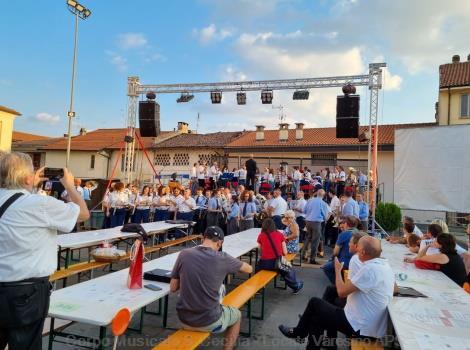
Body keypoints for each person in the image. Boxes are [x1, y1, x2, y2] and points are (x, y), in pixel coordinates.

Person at [0, 152, 89, 350]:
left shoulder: (29, 201)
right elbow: (83, 214)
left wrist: (30, 183)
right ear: (26, 177)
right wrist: (70, 186)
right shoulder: (38, 204)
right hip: (25, 292)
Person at [279, 236, 395, 349]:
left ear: (363, 252)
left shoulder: (369, 270)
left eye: (358, 247)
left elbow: (341, 292)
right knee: (317, 315)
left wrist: (338, 270)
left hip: (360, 327)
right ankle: (309, 335)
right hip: (371, 325)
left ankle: (299, 332)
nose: (355, 249)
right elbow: (394, 288)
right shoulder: (385, 265)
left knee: (315, 303)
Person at [170, 226, 253, 350]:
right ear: (219, 243)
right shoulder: (223, 258)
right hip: (208, 320)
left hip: (184, 319)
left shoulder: (184, 254)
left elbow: (173, 287)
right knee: (237, 315)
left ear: (203, 238)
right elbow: (249, 269)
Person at [257, 218, 303, 293]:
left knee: (258, 268)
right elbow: (285, 252)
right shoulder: (280, 235)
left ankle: (258, 289)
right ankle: (296, 286)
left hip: (264, 264)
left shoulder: (261, 235)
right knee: (287, 269)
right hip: (276, 264)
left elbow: (260, 250)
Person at [322, 216, 356, 283]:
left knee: (326, 268)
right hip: (356, 261)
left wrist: (332, 259)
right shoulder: (359, 233)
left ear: (346, 224)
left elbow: (335, 252)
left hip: (345, 262)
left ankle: (337, 284)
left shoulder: (343, 234)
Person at [303, 189, 330, 264]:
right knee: (315, 241)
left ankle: (303, 255)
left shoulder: (309, 200)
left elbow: (304, 211)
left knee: (308, 238)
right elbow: (325, 216)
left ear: (317, 194)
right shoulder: (323, 203)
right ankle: (312, 259)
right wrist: (326, 218)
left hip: (308, 221)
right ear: (323, 196)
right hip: (317, 222)